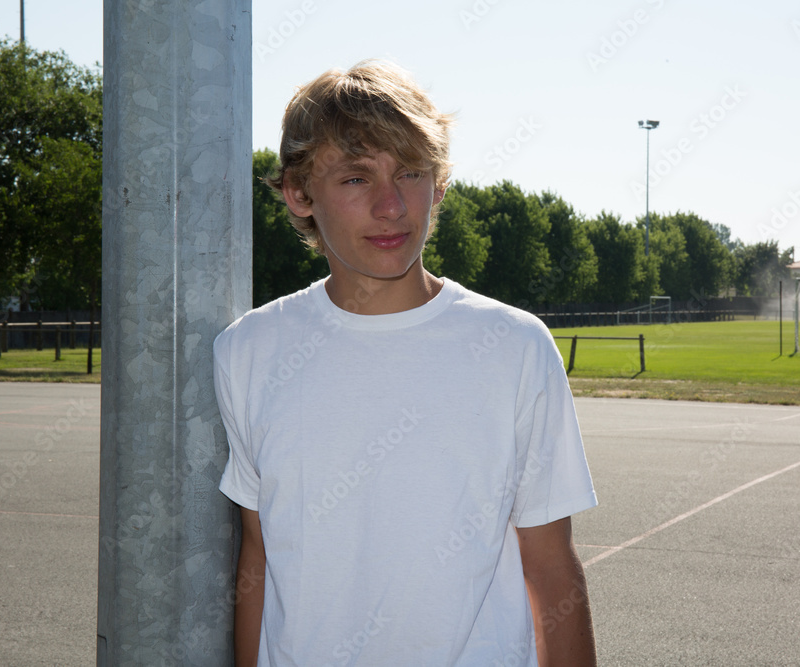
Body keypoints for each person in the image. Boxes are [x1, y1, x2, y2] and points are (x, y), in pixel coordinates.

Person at [215, 59, 598, 667]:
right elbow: (258, 557)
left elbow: (550, 569)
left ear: (439, 183)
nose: (391, 205)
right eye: (355, 179)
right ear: (299, 192)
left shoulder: (515, 347)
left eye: (411, 173)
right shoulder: (247, 351)